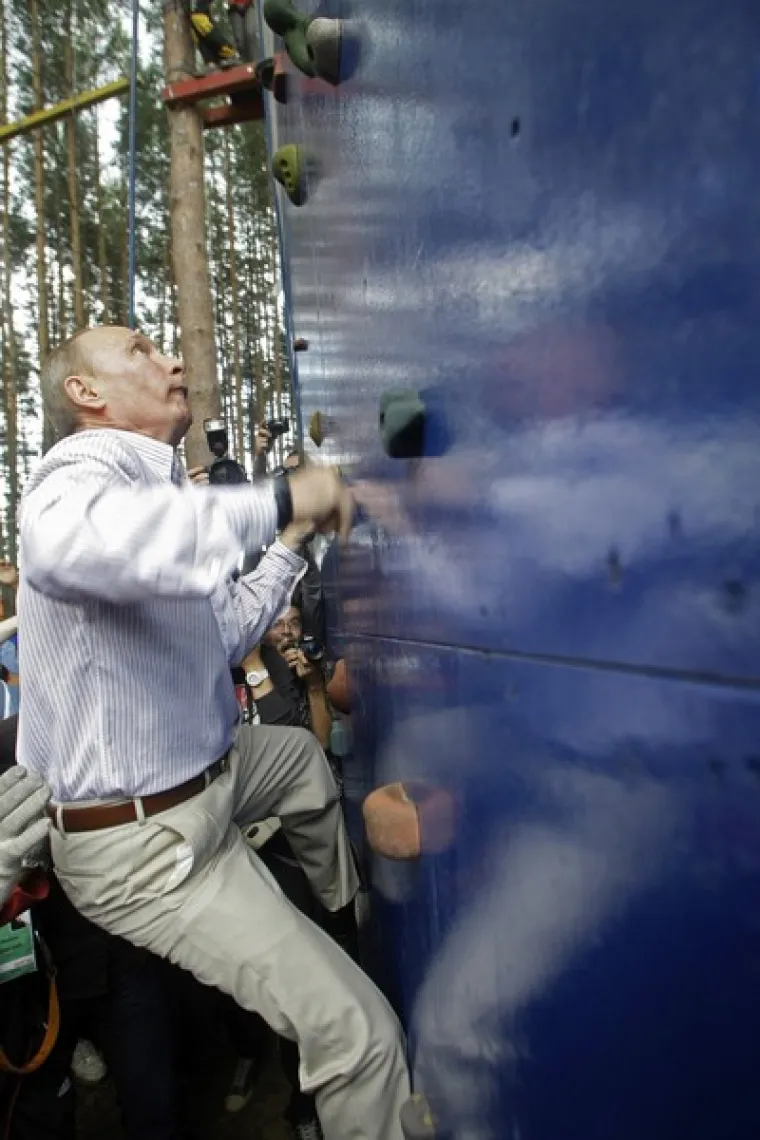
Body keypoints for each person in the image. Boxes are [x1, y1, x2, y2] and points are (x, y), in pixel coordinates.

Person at [17, 325, 409, 1140]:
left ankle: (341, 919)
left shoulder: (160, 505)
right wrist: (281, 496)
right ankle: (338, 1011)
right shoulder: (77, 476)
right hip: (146, 848)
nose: (173, 360)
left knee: (298, 756)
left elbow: (224, 631)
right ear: (86, 395)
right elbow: (71, 542)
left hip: (213, 780)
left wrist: (292, 542)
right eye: (140, 350)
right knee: (359, 1037)